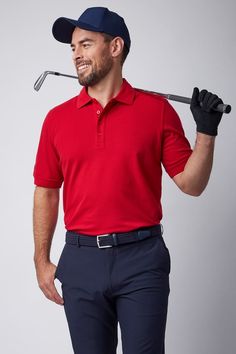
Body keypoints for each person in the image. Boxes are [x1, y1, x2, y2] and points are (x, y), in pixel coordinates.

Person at [32, 6, 223, 354]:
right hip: (81, 259)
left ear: (115, 47)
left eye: (86, 44)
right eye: (73, 47)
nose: (77, 54)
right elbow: (46, 191)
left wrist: (206, 132)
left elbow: (191, 184)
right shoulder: (57, 120)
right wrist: (40, 260)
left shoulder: (157, 111)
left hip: (142, 260)